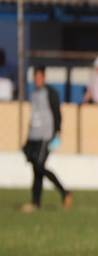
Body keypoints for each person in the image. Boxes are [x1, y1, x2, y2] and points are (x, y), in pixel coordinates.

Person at [21, 67, 72, 213]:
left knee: (39, 166)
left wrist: (57, 132)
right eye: (35, 77)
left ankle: (64, 192)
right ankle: (36, 203)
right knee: (36, 169)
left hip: (46, 136)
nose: (37, 80)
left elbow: (57, 113)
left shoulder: (50, 93)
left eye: (39, 77)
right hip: (34, 136)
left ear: (43, 77)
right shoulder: (34, 94)